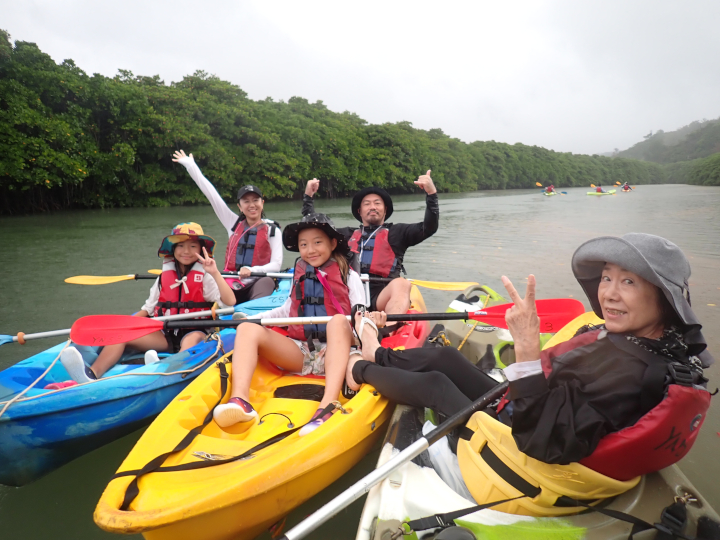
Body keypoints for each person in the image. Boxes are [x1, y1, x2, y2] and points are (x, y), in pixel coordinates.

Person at [348, 233, 712, 467]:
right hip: (527, 408)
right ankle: (377, 354)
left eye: (628, 281)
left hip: (519, 444)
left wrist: (525, 347)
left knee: (436, 386)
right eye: (607, 278)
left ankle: (357, 369)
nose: (609, 293)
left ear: (664, 299)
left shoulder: (631, 371)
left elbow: (540, 440)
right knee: (445, 357)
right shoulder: (648, 341)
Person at [212, 214, 367, 436]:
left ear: (333, 244)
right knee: (247, 328)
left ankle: (328, 404)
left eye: (317, 242)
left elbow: (360, 316)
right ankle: (240, 400)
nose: (310, 250)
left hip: (340, 353)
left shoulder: (348, 276)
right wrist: (253, 320)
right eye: (304, 245)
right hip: (303, 352)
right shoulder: (300, 274)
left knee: (338, 321)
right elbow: (286, 311)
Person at [60, 223, 236, 382]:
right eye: (180, 246)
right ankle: (92, 374)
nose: (186, 251)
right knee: (122, 336)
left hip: (196, 331)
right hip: (165, 334)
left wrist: (214, 272)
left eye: (192, 246)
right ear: (173, 250)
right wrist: (126, 325)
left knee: (190, 340)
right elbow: (148, 308)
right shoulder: (163, 278)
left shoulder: (205, 276)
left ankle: (167, 371)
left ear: (201, 249)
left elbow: (230, 302)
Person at [302, 171, 438, 326]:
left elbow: (429, 228)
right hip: (348, 293)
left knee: (402, 283)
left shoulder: (397, 233)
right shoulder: (345, 235)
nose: (372, 207)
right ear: (359, 211)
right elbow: (314, 230)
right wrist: (308, 197)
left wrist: (431, 193)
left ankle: (387, 329)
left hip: (380, 295)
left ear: (385, 210)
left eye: (377, 203)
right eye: (367, 204)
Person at [173, 150, 282, 304]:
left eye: (255, 200)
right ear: (239, 205)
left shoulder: (272, 230)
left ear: (262, 203)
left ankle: (250, 316)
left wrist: (252, 271)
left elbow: (276, 265)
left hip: (258, 282)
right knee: (215, 286)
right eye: (246, 201)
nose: (252, 205)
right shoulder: (233, 223)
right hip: (230, 282)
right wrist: (191, 166)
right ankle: (224, 313)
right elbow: (212, 195)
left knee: (268, 282)